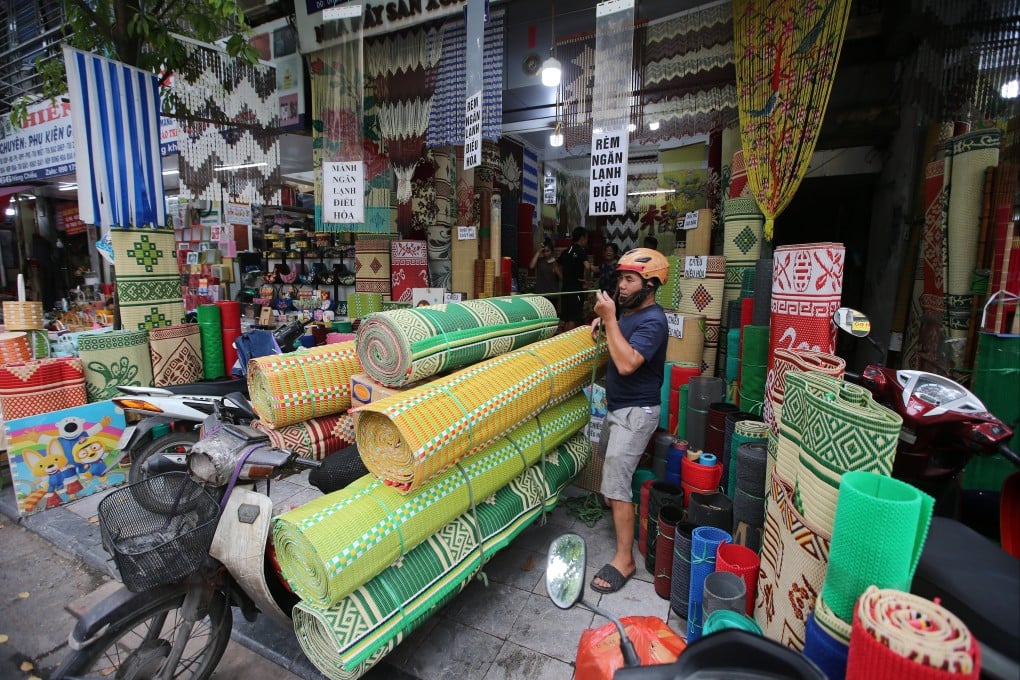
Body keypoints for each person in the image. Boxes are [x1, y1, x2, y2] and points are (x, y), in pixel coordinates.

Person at [588, 248, 669, 594]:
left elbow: (626, 364)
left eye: (629, 279)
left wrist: (608, 320)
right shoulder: (630, 313)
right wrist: (607, 323)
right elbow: (621, 336)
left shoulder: (654, 321)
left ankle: (625, 558)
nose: (621, 285)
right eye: (621, 277)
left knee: (617, 485)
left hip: (637, 414)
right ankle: (618, 507)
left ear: (649, 285)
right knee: (611, 470)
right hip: (619, 408)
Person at [558, 226, 593, 330]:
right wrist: (586, 280)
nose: (587, 241)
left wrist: (563, 277)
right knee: (573, 317)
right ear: (582, 238)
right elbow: (587, 266)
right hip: (576, 288)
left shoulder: (566, 251)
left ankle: (565, 342)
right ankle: (571, 343)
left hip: (565, 289)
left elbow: (556, 265)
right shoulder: (581, 251)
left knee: (567, 318)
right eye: (586, 238)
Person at [529, 237, 562, 314]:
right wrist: (538, 252)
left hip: (552, 295)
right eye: (544, 251)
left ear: (552, 251)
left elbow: (561, 277)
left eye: (548, 251)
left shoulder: (556, 263)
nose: (546, 253)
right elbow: (531, 266)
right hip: (540, 294)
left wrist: (556, 269)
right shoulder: (540, 261)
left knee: (552, 316)